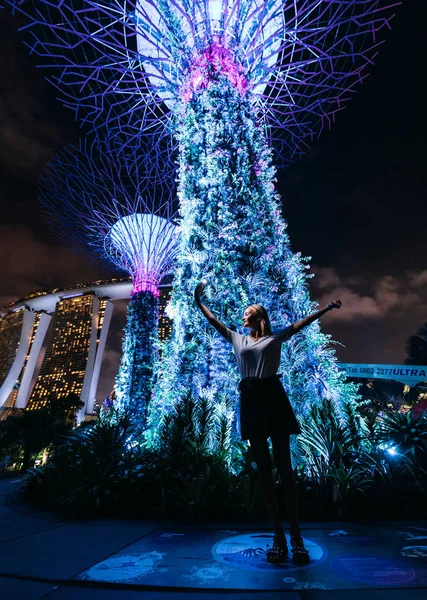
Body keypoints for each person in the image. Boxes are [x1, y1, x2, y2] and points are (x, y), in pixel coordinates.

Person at [194, 280, 342, 564]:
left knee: (284, 467)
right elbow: (214, 321)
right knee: (264, 469)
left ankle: (295, 535)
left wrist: (326, 308)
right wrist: (198, 301)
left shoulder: (275, 338)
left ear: (259, 316)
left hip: (273, 395)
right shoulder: (238, 339)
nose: (243, 315)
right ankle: (277, 535)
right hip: (250, 397)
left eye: (248, 312)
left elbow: (303, 323)